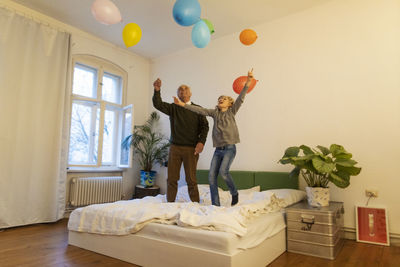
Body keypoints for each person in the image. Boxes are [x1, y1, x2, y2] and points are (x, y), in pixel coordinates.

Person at [174, 69, 255, 206]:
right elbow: (199, 110)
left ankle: (234, 193)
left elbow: (241, 97)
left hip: (229, 148)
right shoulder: (214, 113)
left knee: (223, 172)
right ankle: (215, 205)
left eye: (223, 99)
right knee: (211, 177)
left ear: (229, 103)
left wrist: (248, 82)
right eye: (219, 99)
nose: (220, 100)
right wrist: (182, 104)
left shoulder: (231, 112)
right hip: (218, 150)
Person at [152, 79, 209, 203]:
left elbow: (205, 127)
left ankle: (195, 204)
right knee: (172, 179)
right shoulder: (173, 108)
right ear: (178, 95)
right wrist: (157, 91)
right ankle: (170, 204)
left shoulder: (197, 109)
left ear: (190, 94)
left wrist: (201, 142)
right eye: (180, 90)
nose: (183, 91)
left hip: (192, 149)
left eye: (185, 89)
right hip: (175, 148)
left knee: (191, 180)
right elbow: (158, 104)